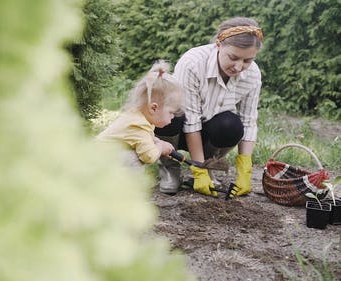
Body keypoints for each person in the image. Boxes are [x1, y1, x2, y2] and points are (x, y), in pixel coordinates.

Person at [155, 17, 263, 197]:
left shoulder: (252, 75)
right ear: (219, 44)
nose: (238, 67)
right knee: (169, 115)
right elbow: (191, 120)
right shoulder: (193, 63)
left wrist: (245, 171)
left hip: (209, 133)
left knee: (232, 126)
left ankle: (208, 164)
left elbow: (249, 121)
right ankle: (170, 167)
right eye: (233, 57)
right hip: (179, 127)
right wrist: (199, 171)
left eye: (247, 60)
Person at [97, 60, 184, 174]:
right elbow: (149, 157)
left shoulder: (136, 117)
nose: (173, 117)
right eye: (171, 112)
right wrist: (161, 147)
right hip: (97, 164)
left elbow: (144, 138)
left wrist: (157, 141)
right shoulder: (139, 126)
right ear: (153, 108)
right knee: (134, 160)